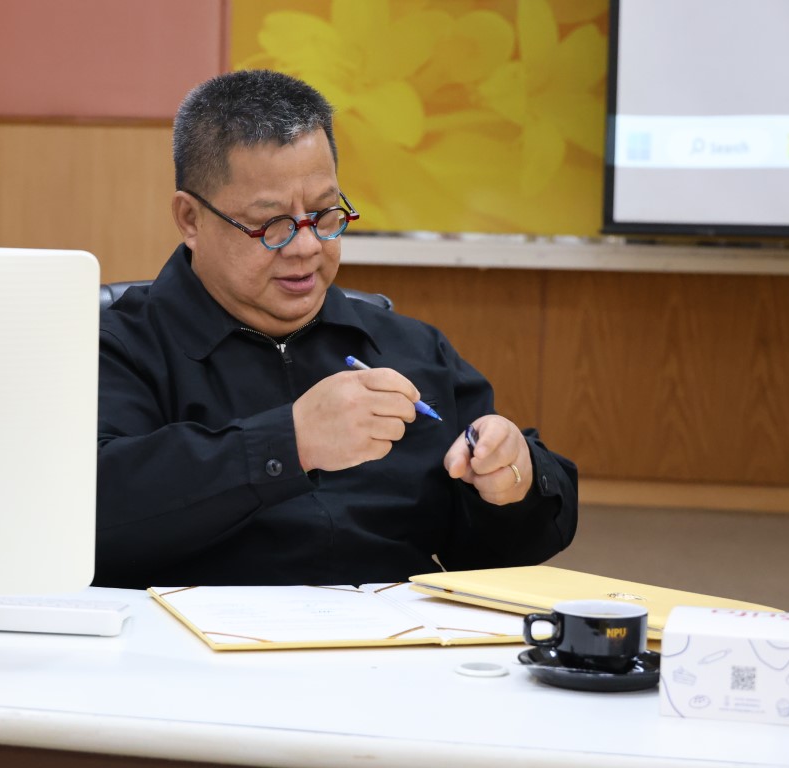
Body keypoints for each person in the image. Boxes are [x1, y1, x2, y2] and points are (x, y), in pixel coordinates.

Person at [95, 69, 577, 589]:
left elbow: (495, 554)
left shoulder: (410, 348)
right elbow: (89, 513)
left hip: (392, 633)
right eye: (272, 224)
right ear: (191, 219)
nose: (306, 246)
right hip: (187, 633)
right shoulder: (114, 348)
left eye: (325, 214)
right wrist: (289, 443)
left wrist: (513, 482)